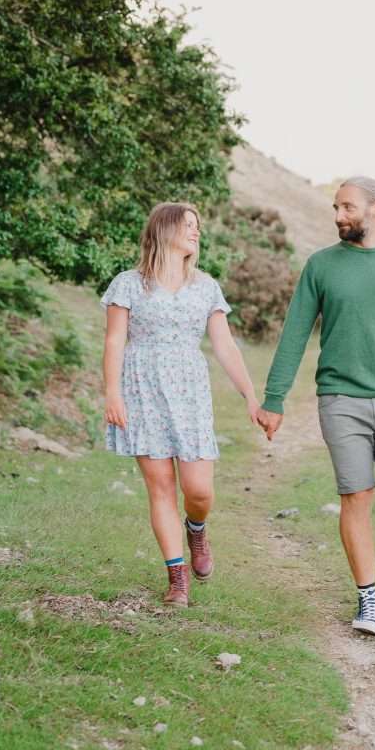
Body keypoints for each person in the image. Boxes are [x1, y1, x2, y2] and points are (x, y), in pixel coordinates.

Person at [257, 177, 375, 636]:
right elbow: (295, 334)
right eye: (336, 207)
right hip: (341, 400)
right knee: (355, 497)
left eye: (348, 207)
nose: (339, 216)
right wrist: (274, 398)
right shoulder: (321, 266)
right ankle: (367, 600)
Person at [101, 201, 260, 607]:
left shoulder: (205, 286)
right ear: (164, 228)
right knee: (161, 489)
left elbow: (224, 345)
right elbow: (115, 339)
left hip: (189, 391)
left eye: (197, 226)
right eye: (188, 225)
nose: (196, 232)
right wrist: (112, 392)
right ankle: (177, 580)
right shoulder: (128, 283)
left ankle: (198, 528)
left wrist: (250, 394)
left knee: (199, 489)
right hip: (141, 389)